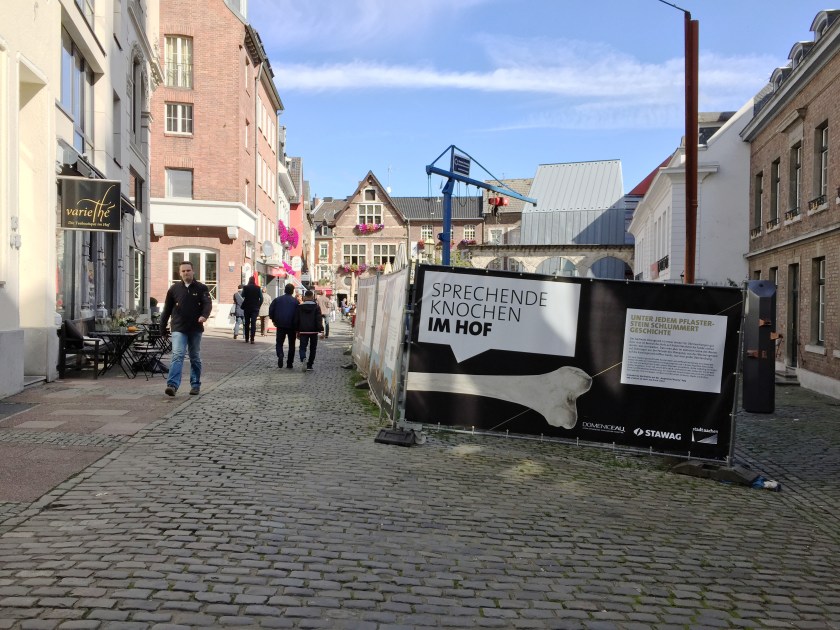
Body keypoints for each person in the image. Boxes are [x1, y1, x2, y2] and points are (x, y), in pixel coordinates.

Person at [160, 260, 212, 397]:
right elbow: (166, 310)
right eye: (183, 271)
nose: (186, 273)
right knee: (177, 355)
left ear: (193, 271)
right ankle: (172, 385)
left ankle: (195, 384)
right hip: (178, 327)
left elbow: (207, 304)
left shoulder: (201, 288)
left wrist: (204, 316)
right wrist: (162, 327)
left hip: (195, 328)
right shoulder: (174, 289)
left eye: (188, 270)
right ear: (180, 273)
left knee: (194, 356)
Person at [268, 283, 298, 369]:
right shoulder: (295, 302)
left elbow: (271, 310)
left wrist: (273, 319)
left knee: (279, 343)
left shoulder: (277, 300)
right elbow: (298, 314)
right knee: (292, 345)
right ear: (292, 291)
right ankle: (289, 363)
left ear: (285, 290)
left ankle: (280, 354)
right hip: (292, 326)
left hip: (280, 324)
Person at [294, 290, 323, 371]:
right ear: (312, 297)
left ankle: (303, 358)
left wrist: (297, 330)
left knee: (302, 347)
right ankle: (310, 365)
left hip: (303, 331)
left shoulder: (300, 307)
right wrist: (321, 330)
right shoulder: (316, 307)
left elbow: (297, 319)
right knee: (313, 348)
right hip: (314, 331)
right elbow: (318, 319)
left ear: (305, 297)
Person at [240, 276, 263, 344]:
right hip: (255, 308)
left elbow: (242, 295)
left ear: (249, 280)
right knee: (253, 323)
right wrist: (258, 305)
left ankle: (246, 338)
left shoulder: (245, 287)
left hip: (247, 307)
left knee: (247, 323)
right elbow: (261, 298)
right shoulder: (258, 288)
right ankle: (252, 339)